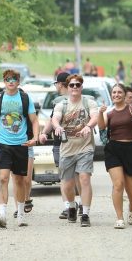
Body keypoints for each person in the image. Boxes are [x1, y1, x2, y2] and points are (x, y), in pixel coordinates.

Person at [0, 69, 39, 228]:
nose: (10, 82)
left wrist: (35, 138)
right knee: (3, 178)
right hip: (3, 144)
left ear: (18, 81)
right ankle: (2, 214)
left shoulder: (25, 97)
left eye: (14, 79)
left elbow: (34, 120)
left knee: (20, 180)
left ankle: (21, 214)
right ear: (4, 81)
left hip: (21, 144)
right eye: (8, 79)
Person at [98, 83, 132, 229]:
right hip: (113, 149)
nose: (116, 95)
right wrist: (100, 113)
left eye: (119, 92)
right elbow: (101, 126)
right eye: (114, 92)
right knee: (118, 184)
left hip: (131, 149)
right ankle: (119, 218)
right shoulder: (110, 113)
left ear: (125, 95)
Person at [52, 74, 98, 227]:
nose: (75, 88)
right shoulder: (62, 105)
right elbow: (55, 118)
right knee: (67, 184)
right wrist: (57, 126)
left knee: (84, 179)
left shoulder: (88, 102)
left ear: (81, 87)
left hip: (85, 147)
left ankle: (85, 214)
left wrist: (88, 126)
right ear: (68, 87)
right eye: (72, 85)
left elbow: (95, 116)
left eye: (78, 85)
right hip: (67, 149)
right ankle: (72, 205)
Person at [39, 72, 83, 219]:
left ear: (60, 84)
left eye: (56, 84)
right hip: (78, 143)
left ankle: (68, 207)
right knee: (79, 177)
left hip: (62, 144)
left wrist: (44, 133)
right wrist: (45, 132)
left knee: (64, 177)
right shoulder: (78, 100)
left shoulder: (59, 101)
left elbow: (52, 120)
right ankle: (81, 205)